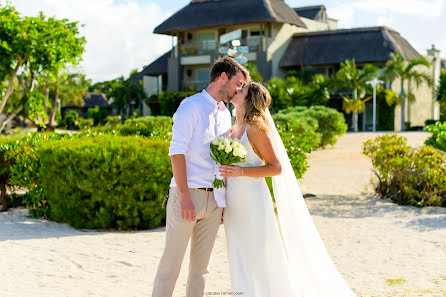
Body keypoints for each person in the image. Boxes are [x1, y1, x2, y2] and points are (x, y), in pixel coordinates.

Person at [219, 82, 357, 297]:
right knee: (238, 252)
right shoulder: (233, 128)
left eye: (242, 89)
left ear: (249, 99)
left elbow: (276, 167)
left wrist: (241, 173)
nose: (237, 90)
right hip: (233, 201)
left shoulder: (255, 128)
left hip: (253, 201)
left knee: (259, 253)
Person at [151, 56, 250, 297]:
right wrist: (183, 196)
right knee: (170, 265)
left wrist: (223, 202)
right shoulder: (191, 106)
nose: (239, 89)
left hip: (215, 201)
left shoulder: (226, 114)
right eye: (238, 83)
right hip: (188, 196)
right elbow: (176, 152)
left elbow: (223, 159)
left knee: (201, 270)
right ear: (222, 77)